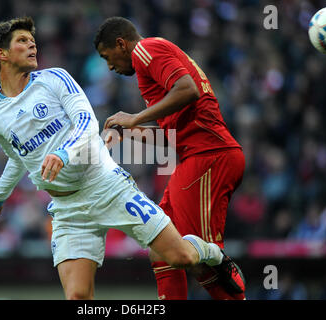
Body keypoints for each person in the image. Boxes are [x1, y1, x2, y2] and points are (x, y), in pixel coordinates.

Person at [0, 16, 228, 300]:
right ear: (2, 54)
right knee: (78, 298)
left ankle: (213, 253)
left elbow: (87, 123)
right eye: (22, 41)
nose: (32, 45)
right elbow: (18, 156)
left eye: (32, 40)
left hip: (105, 185)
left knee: (181, 257)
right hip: (67, 208)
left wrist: (64, 153)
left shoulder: (54, 79)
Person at [94, 16, 246, 300]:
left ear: (121, 44)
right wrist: (132, 131)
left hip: (209, 158)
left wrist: (135, 117)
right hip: (196, 157)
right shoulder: (151, 62)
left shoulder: (145, 50)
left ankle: (217, 258)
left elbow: (188, 90)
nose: (110, 66)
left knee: (196, 254)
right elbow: (174, 137)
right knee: (162, 245)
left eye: (108, 57)